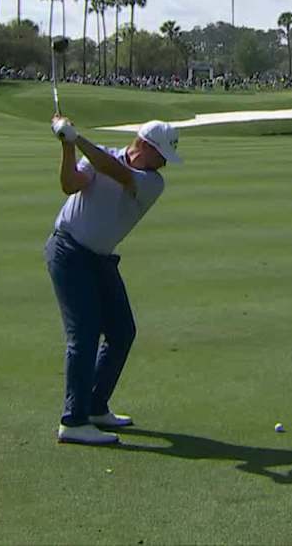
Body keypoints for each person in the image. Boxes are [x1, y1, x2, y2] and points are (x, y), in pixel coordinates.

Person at [44, 112, 182, 446]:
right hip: (69, 252)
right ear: (146, 147)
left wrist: (77, 139)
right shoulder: (102, 157)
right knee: (85, 333)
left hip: (100, 259)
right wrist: (67, 146)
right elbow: (69, 184)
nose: (165, 164)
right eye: (163, 155)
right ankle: (73, 421)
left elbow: (115, 171)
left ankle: (93, 406)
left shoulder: (151, 183)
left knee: (122, 331)